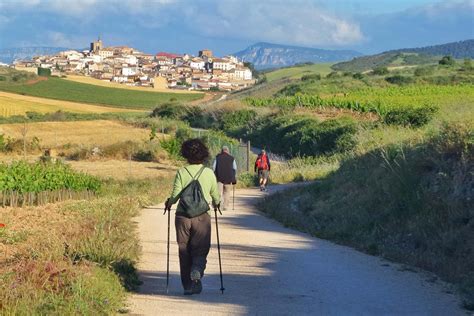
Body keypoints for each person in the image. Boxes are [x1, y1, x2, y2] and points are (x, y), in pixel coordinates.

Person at [165, 138, 220, 295]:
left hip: (182, 216)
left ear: (186, 154)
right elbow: (215, 195)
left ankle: (188, 286)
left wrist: (169, 204)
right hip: (202, 217)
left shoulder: (182, 172)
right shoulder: (208, 172)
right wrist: (217, 204)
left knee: (184, 250)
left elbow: (175, 195)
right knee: (200, 250)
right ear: (204, 153)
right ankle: (196, 270)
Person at [212, 146, 237, 211]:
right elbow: (235, 168)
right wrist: (233, 177)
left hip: (219, 178)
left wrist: (215, 173)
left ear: (222, 151)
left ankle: (219, 206)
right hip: (228, 178)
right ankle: (225, 206)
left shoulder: (217, 157)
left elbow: (213, 167)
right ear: (228, 151)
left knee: (218, 193)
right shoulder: (232, 158)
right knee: (227, 192)